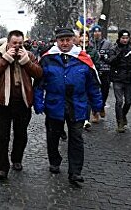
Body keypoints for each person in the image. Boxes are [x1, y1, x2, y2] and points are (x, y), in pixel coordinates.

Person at [33, 28, 102, 185]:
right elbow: (39, 83)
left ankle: (75, 171)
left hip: (77, 105)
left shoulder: (83, 59)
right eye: (61, 40)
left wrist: (97, 104)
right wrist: (38, 102)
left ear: (73, 40)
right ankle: (55, 160)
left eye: (68, 40)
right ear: (57, 41)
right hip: (54, 104)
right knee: (53, 135)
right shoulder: (47, 59)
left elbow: (93, 85)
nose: (65, 43)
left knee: (76, 138)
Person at [0, 30, 42, 180]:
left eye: (20, 43)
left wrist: (26, 62)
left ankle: (17, 159)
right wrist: (6, 59)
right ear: (8, 42)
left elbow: (38, 73)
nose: (17, 46)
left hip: (22, 102)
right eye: (14, 43)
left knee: (21, 134)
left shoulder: (29, 55)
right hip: (2, 102)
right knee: (2, 137)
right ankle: (2, 168)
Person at [106, 29, 131, 133]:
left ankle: (123, 115)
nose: (125, 40)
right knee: (119, 101)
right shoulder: (114, 48)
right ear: (119, 38)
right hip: (117, 78)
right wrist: (120, 54)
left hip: (129, 79)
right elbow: (110, 61)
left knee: (128, 101)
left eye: (127, 38)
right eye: (123, 38)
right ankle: (119, 122)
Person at [89, 25, 112, 121]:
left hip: (105, 70)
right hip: (93, 70)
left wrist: (105, 57)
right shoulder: (89, 43)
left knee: (105, 91)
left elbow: (112, 55)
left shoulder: (108, 43)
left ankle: (102, 106)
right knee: (94, 92)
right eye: (95, 32)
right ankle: (95, 112)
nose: (97, 33)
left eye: (98, 31)